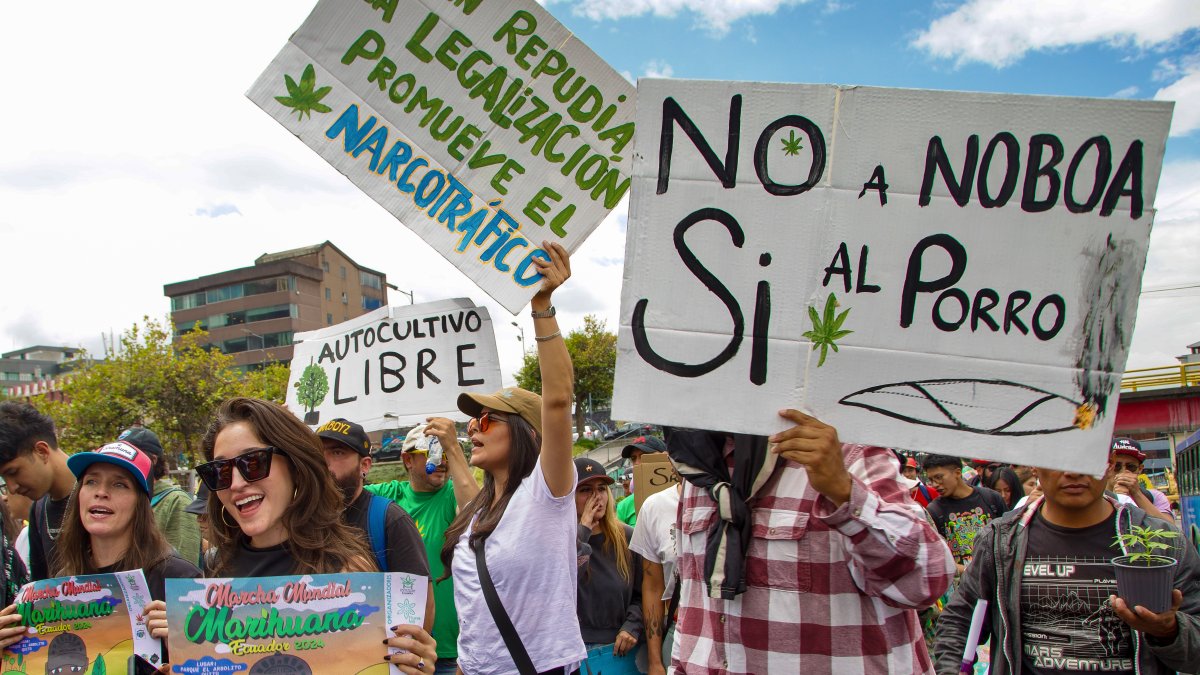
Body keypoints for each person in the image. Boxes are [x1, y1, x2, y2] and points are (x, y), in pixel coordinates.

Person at [668, 412, 955, 673]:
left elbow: (925, 582)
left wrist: (844, 491)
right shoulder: (696, 473)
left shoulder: (847, 453)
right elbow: (693, 608)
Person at [198, 397, 437, 674]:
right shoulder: (214, 572)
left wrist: (411, 665)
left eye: (252, 462)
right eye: (220, 470)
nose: (236, 483)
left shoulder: (349, 570)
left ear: (296, 466)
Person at [440, 242, 587, 674]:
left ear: (526, 432)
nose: (472, 427)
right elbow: (474, 611)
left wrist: (541, 305)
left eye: (486, 420)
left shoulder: (548, 492)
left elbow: (558, 400)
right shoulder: (478, 508)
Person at [934, 464, 1200, 674]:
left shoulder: (1160, 542)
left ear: (1107, 464)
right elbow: (960, 620)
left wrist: (1168, 631)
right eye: (1059, 458)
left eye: (1087, 457)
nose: (1073, 471)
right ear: (1035, 467)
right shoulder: (999, 541)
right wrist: (951, 669)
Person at [0, 440, 201, 651]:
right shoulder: (61, 583)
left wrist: (186, 649)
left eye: (119, 484)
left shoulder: (180, 579)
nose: (101, 492)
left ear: (141, 504)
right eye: (91, 482)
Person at [366, 420, 479, 675]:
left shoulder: (452, 493)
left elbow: (478, 515)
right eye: (432, 453)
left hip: (452, 652)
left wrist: (454, 448)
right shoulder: (389, 495)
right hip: (398, 651)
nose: (442, 461)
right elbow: (336, 494)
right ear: (407, 460)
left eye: (445, 454)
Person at [316, 417, 432, 628]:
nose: (325, 462)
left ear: (365, 465)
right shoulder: (302, 522)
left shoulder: (390, 519)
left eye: (337, 452)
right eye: (319, 453)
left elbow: (420, 605)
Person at [574, 457, 643, 662]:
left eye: (602, 489)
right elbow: (565, 580)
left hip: (617, 649)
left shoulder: (627, 537)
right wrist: (584, 529)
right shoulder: (560, 540)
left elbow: (644, 593)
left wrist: (632, 626)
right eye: (586, 490)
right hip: (574, 650)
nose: (597, 497)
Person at [0, 402, 77, 581]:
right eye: (5, 480)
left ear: (42, 451)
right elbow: (40, 590)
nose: (12, 488)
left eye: (13, 472)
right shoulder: (38, 511)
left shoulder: (102, 496)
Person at [119, 425, 203, 565]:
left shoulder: (176, 501)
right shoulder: (119, 501)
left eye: (130, 456)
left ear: (153, 460)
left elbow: (184, 572)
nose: (122, 464)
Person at [629, 466, 682, 675]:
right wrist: (655, 661)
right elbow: (652, 586)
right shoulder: (655, 507)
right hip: (677, 633)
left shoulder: (738, 498)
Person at [922, 454, 1007, 574]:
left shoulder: (991, 498)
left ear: (957, 473)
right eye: (931, 480)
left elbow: (1009, 538)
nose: (935, 484)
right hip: (962, 588)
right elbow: (937, 558)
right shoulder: (934, 511)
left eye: (939, 477)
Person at [1108, 438, 1174, 523]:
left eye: (1131, 467)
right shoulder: (1095, 497)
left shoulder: (1155, 497)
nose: (1123, 471)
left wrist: (1136, 493)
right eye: (1117, 466)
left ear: (1140, 469)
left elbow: (1170, 531)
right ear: (1108, 467)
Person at [615, 436, 666, 527]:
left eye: (644, 456)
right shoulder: (624, 506)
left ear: (664, 456)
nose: (637, 463)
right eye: (633, 458)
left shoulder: (681, 494)